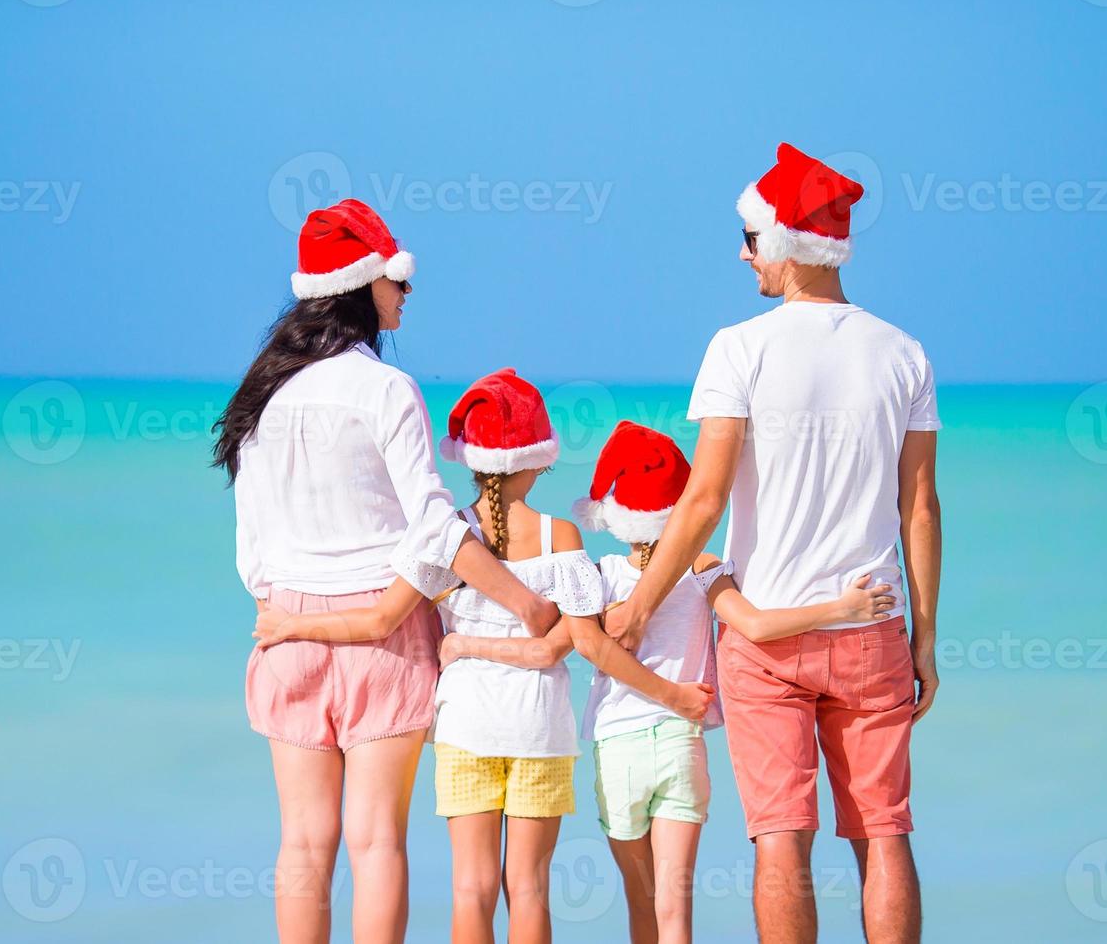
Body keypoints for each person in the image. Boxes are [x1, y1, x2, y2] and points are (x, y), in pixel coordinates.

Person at [606, 144, 943, 944]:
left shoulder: (739, 347)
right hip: (871, 629)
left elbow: (705, 498)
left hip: (765, 634)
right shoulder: (903, 352)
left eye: (750, 239)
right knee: (884, 831)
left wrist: (638, 608)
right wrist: (924, 640)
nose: (742, 253)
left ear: (784, 244)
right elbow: (920, 508)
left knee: (780, 838)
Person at [212, 199, 560, 944]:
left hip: (287, 628)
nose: (406, 295)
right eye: (398, 282)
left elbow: (252, 546)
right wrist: (525, 602)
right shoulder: (384, 389)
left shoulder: (263, 395)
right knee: (376, 843)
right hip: (384, 630)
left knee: (303, 844)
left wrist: (286, 607)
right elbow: (433, 526)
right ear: (362, 284)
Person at [258, 367, 597, 944]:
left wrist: (295, 623)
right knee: (531, 886)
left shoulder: (441, 536)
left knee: (471, 886)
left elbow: (380, 620)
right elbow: (568, 642)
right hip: (540, 727)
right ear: (539, 461)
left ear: (469, 461)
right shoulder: (560, 537)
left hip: (466, 727)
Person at [571, 419, 897, 944]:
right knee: (676, 912)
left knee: (641, 904)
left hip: (618, 745)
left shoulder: (599, 572)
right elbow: (758, 625)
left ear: (614, 513)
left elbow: (583, 641)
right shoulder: (702, 566)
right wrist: (843, 608)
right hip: (682, 744)